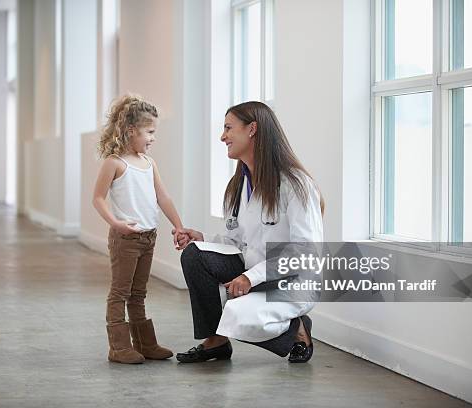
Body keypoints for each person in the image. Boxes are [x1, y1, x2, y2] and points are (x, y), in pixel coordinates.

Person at [173, 101, 324, 363]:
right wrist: (205, 240)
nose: (223, 137)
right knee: (194, 255)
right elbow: (236, 240)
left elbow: (305, 251)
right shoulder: (238, 184)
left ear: (252, 129)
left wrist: (250, 277)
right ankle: (215, 342)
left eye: (229, 128)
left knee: (237, 318)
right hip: (252, 270)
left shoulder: (296, 184)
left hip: (289, 281)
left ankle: (297, 329)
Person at [92, 94, 186, 364]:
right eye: (150, 131)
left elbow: (163, 197)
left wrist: (178, 226)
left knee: (139, 292)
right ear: (132, 131)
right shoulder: (114, 163)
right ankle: (118, 347)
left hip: (149, 237)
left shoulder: (148, 163)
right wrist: (116, 223)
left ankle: (145, 343)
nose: (153, 138)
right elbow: (97, 198)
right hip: (126, 239)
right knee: (120, 292)